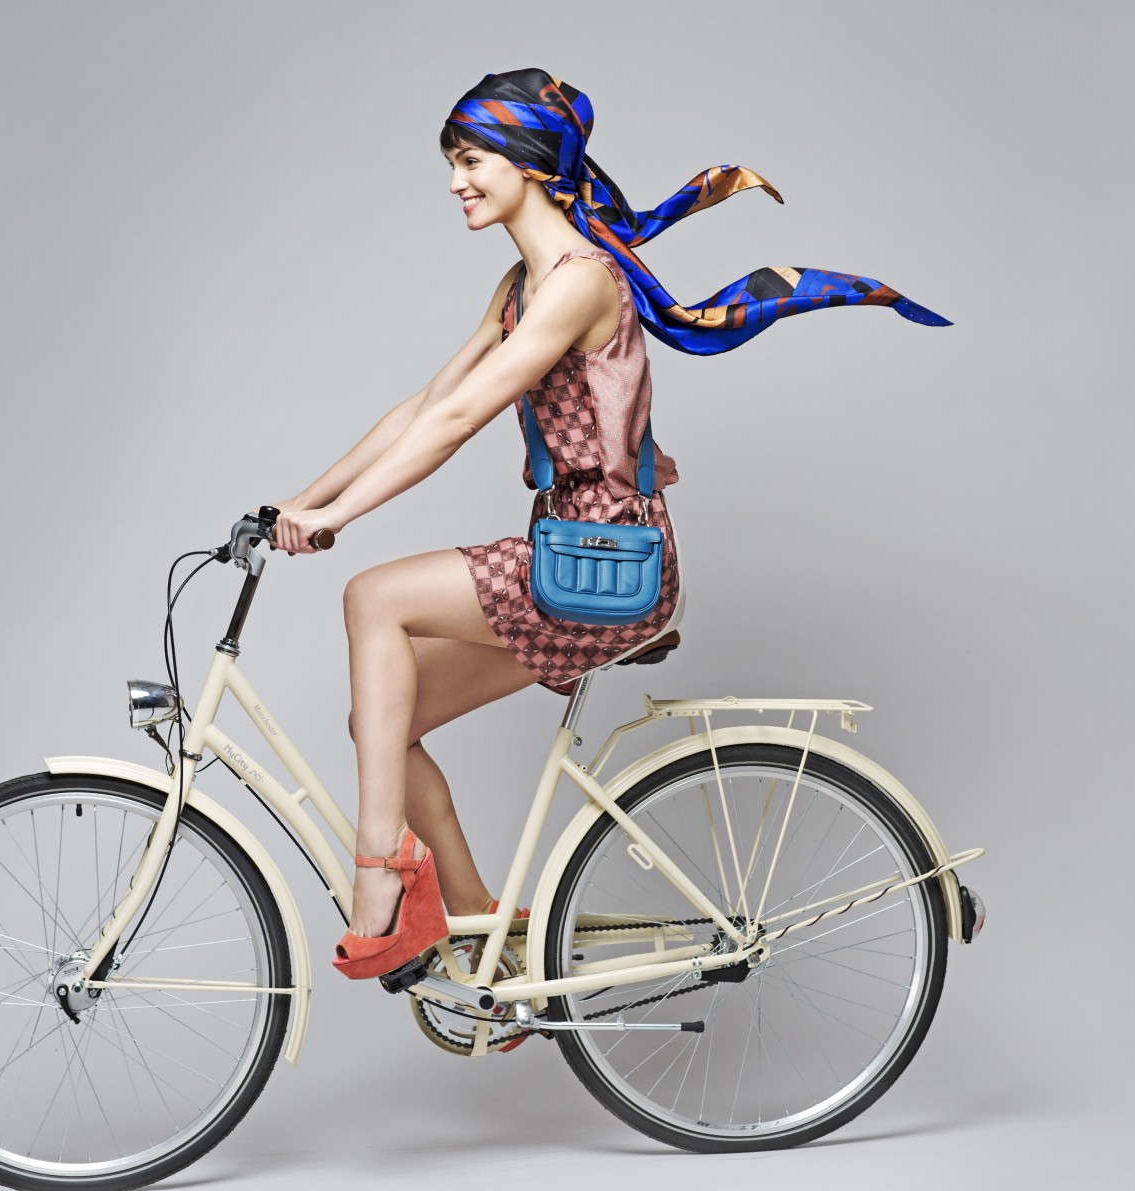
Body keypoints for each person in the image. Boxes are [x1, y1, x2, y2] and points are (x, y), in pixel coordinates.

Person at [266, 69, 948, 981]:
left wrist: (340, 519)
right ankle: (481, 933)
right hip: (575, 560)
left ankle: (378, 875)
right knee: (380, 725)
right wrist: (301, 502)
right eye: (452, 163)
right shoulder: (523, 284)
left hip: (607, 559)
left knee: (371, 598)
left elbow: (458, 421)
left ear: (530, 163)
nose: (455, 182)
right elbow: (426, 403)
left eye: (469, 160)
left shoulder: (580, 283)